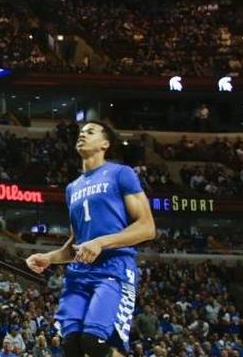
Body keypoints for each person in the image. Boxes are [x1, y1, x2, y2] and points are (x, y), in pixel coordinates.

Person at [25, 121, 156, 357]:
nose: (82, 135)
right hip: (79, 272)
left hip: (113, 268)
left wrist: (100, 243)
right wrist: (49, 258)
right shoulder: (72, 188)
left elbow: (147, 228)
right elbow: (76, 244)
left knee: (93, 343)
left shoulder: (121, 173)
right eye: (81, 132)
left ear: (105, 144)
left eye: (90, 132)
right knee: (71, 346)